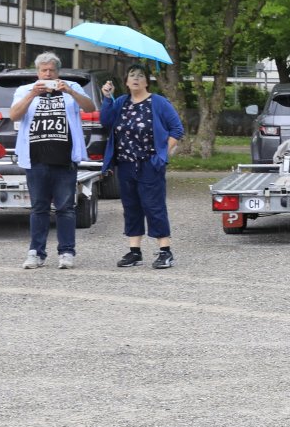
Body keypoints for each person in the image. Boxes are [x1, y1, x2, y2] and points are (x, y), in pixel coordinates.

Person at [10, 52, 96, 269]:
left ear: (58, 71)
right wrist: (32, 94)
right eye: (44, 70)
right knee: (38, 208)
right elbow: (14, 115)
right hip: (36, 158)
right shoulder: (24, 90)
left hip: (65, 158)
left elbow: (90, 108)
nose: (48, 74)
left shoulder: (72, 87)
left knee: (65, 208)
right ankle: (36, 253)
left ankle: (66, 252)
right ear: (37, 72)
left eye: (51, 70)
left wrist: (70, 91)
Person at [100, 65, 185, 269]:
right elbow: (106, 121)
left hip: (149, 164)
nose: (136, 79)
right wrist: (107, 98)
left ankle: (165, 251)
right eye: (132, 76)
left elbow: (177, 129)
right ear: (126, 81)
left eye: (140, 76)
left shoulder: (158, 102)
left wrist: (162, 153)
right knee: (131, 207)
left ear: (147, 81)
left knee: (153, 206)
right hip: (126, 164)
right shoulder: (121, 102)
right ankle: (134, 251)